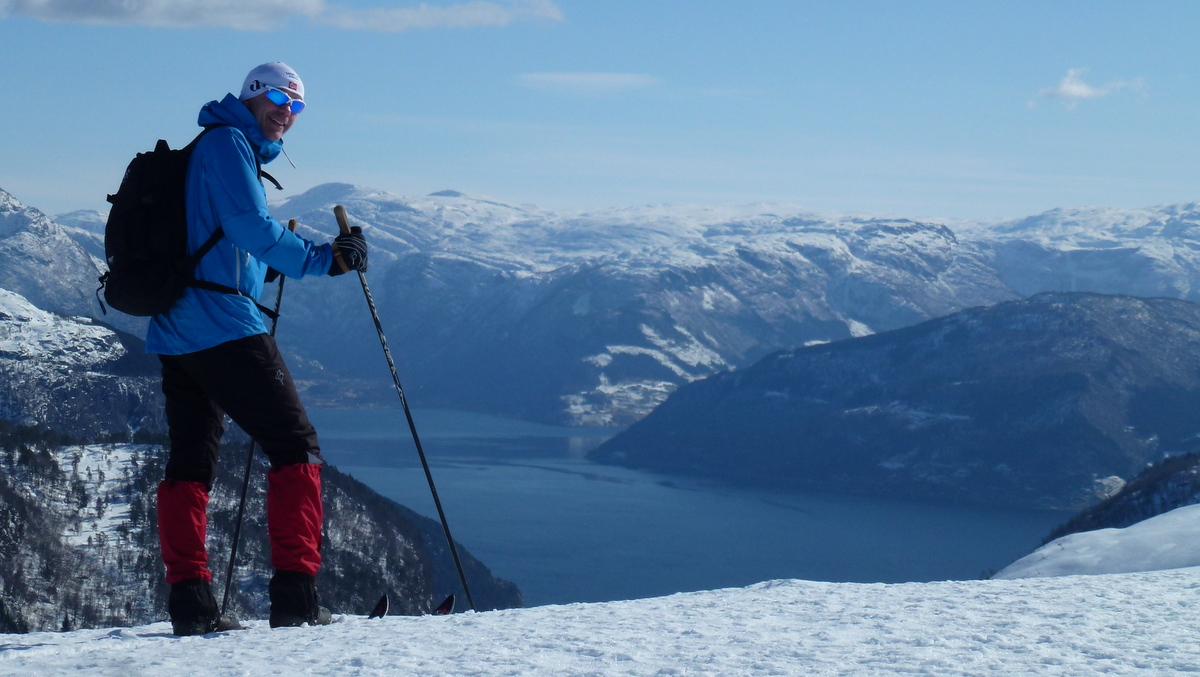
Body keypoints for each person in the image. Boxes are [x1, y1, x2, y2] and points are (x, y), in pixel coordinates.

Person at [146, 62, 368, 635]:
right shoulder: (228, 145)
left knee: (191, 462)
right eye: (276, 98)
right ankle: (296, 601)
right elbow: (251, 227)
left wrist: (257, 272)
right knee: (296, 446)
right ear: (250, 96)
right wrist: (327, 258)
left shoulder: (213, 145)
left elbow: (219, 239)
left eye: (296, 106)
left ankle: (191, 606)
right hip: (221, 325)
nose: (285, 113)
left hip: (179, 327)